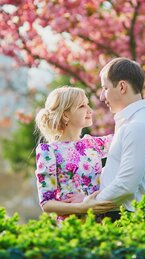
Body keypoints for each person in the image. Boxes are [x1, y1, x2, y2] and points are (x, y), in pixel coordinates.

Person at [95, 57, 145, 221]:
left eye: (105, 88)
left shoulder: (138, 126)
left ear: (122, 87)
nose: (101, 97)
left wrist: (87, 203)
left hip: (128, 218)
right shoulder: (130, 122)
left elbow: (126, 185)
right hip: (121, 215)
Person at [34, 86, 116, 222]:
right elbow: (47, 204)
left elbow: (125, 138)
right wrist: (83, 207)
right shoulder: (48, 151)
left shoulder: (93, 144)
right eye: (82, 106)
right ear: (65, 115)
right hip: (71, 227)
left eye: (87, 104)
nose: (90, 110)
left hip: (103, 224)